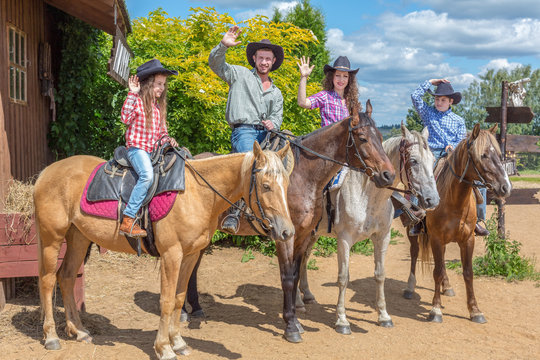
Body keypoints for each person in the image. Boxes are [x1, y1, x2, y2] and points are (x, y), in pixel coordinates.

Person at [209, 25, 284, 232]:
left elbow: (277, 117)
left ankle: (278, 211)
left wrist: (273, 124)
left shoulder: (277, 93)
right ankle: (233, 213)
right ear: (254, 59)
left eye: (268, 59)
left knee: (283, 166)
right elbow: (216, 65)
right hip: (244, 131)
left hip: (268, 135)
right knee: (249, 163)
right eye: (261, 58)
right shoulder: (239, 74)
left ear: (273, 61)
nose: (264, 62)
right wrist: (223, 46)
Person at [409, 78, 489, 236]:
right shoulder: (428, 113)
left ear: (450, 101)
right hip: (432, 153)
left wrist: (452, 147)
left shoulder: (458, 120)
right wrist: (431, 82)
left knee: (479, 180)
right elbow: (415, 96)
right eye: (437, 99)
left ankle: (478, 219)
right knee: (418, 177)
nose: (438, 102)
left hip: (453, 155)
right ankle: (417, 218)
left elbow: (461, 141)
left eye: (443, 100)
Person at [118, 59, 179, 238]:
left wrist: (168, 140)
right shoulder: (136, 101)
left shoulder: (158, 108)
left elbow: (161, 133)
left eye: (163, 85)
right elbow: (124, 118)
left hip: (152, 151)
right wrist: (132, 93)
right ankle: (128, 219)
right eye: (158, 84)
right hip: (136, 149)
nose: (161, 88)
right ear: (147, 84)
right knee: (147, 176)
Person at [297, 55, 361, 188]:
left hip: (346, 151)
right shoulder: (325, 96)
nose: (341, 80)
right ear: (332, 77)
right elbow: (302, 102)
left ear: (349, 80)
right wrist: (304, 77)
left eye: (345, 76)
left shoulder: (352, 102)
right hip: (328, 150)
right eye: (338, 75)